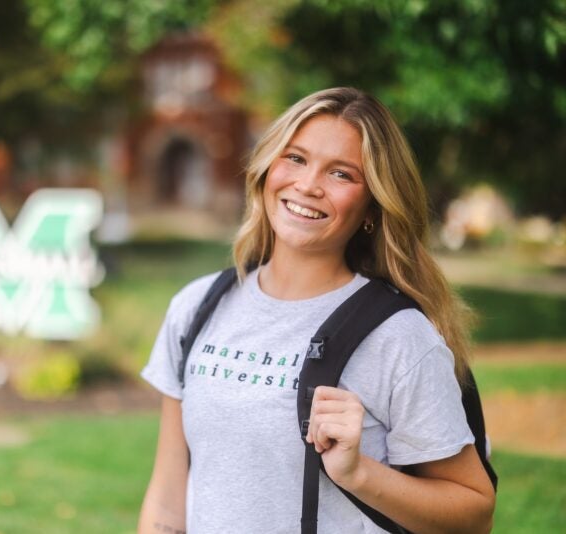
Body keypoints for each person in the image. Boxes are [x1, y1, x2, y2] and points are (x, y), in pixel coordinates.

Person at [137, 87, 496, 533]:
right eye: (295, 158)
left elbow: (474, 513)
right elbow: (169, 499)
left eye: (341, 174)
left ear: (371, 206)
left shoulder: (399, 337)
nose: (307, 185)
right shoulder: (196, 308)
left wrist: (359, 473)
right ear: (267, 168)